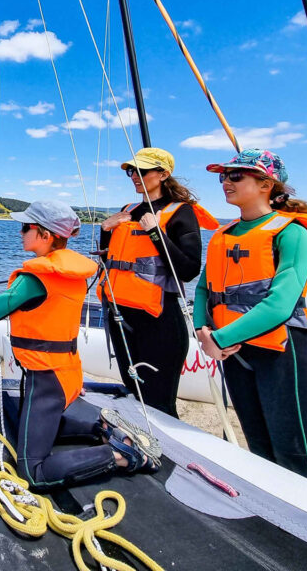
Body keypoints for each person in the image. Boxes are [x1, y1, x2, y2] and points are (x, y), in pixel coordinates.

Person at [0, 199, 156, 491]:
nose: (20, 232)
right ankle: (99, 426)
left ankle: (119, 454)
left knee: (34, 472)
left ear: (45, 235)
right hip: (66, 372)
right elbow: (40, 308)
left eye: (25, 227)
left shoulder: (35, 277)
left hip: (44, 378)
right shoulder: (70, 274)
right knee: (27, 424)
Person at [193, 149, 307, 482]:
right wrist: (202, 330)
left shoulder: (292, 233)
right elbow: (204, 289)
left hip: (283, 355)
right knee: (258, 449)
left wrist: (219, 339)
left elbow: (281, 304)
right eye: (224, 176)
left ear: (266, 183)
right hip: (235, 354)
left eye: (235, 176)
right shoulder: (222, 234)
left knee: (292, 458)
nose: (226, 183)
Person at [98, 147, 217, 417]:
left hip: (160, 319)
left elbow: (187, 270)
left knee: (159, 403)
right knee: (134, 394)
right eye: (131, 171)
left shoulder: (181, 212)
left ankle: (165, 456)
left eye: (142, 171)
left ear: (163, 174)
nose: (134, 176)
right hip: (122, 316)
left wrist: (155, 232)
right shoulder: (128, 210)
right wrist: (106, 230)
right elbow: (111, 260)